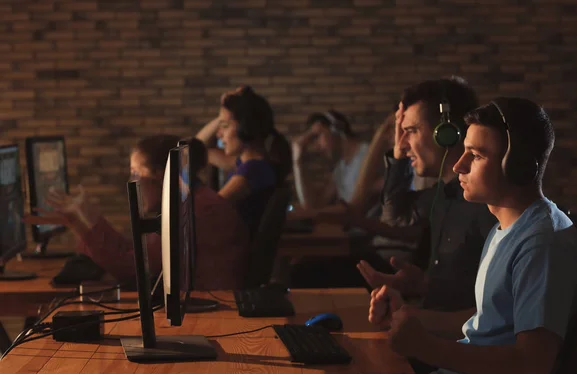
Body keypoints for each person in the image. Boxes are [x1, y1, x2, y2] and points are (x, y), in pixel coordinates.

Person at [369, 97, 577, 374]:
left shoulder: (543, 244)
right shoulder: (506, 226)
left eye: (475, 155)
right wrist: (409, 317)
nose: (459, 164)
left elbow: (531, 369)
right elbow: (487, 321)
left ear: (518, 166)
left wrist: (427, 347)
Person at [319, 77, 497, 311]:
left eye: (411, 131)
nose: (402, 146)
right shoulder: (444, 194)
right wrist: (423, 285)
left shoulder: (488, 204)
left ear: (446, 132)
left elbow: (492, 310)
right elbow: (395, 215)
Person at [27, 134, 249, 290]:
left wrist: (78, 223)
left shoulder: (193, 212)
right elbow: (137, 251)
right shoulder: (192, 200)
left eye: (136, 172)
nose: (132, 181)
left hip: (212, 315)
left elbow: (131, 268)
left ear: (161, 174)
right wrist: (90, 219)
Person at [196, 86, 292, 236]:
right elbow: (195, 149)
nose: (219, 134)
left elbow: (208, 210)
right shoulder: (247, 163)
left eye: (225, 126)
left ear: (245, 128)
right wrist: (222, 115)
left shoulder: (252, 171)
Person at [292, 110, 374, 210]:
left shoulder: (370, 155)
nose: (317, 146)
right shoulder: (340, 169)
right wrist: (297, 163)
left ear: (335, 129)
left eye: (317, 136)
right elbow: (311, 207)